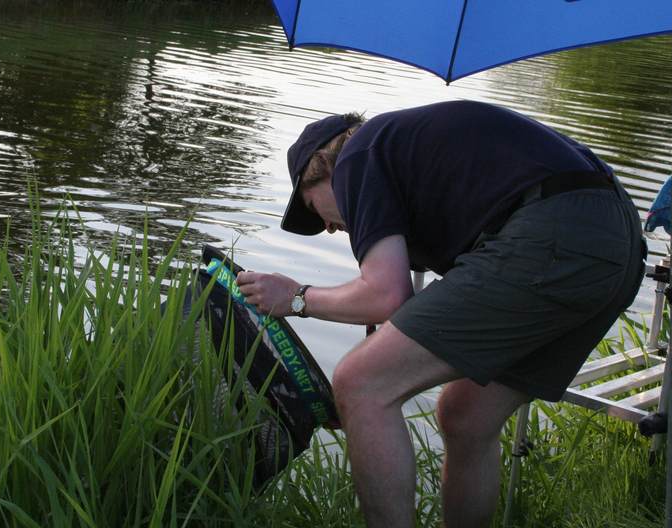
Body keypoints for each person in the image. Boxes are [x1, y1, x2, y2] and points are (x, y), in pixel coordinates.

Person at [235, 100, 645, 528]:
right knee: (465, 415)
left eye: (313, 208)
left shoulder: (357, 155)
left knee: (359, 382)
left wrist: (297, 298)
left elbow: (384, 295)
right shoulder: (411, 161)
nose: (332, 228)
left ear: (321, 164)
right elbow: (402, 311)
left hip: (551, 232)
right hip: (615, 246)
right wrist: (372, 399)